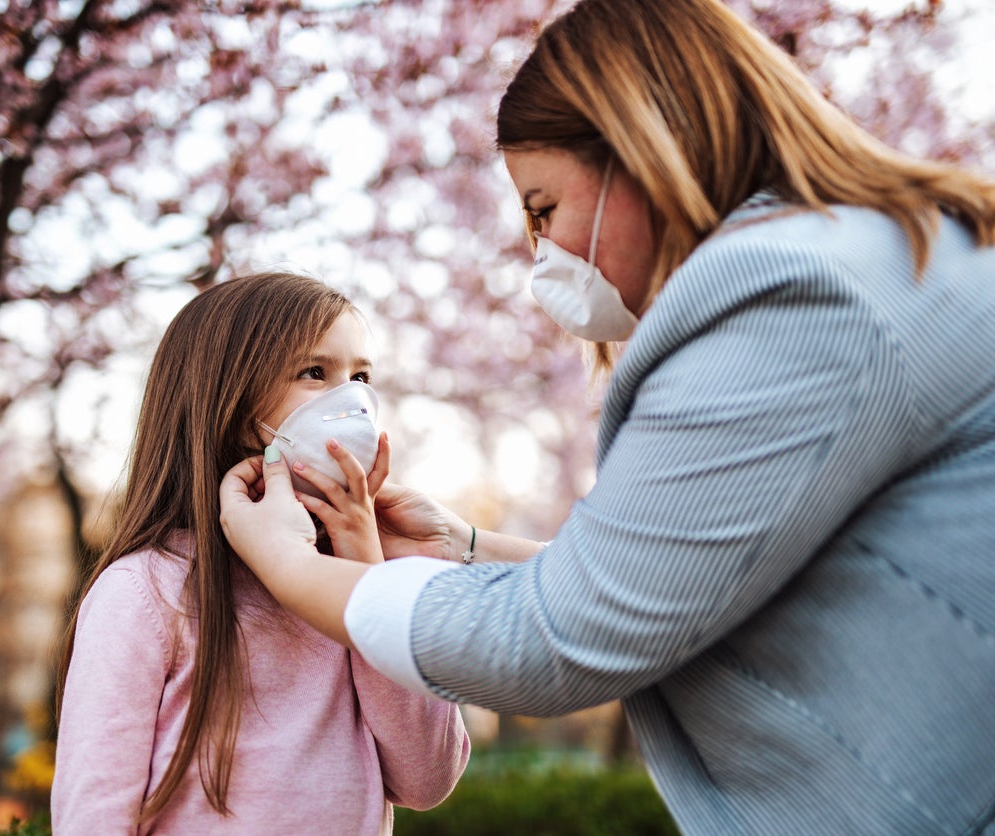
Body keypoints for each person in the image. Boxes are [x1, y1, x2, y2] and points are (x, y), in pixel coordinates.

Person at [218, 1, 995, 834]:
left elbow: (556, 643)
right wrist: (464, 548)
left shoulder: (791, 298)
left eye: (546, 209)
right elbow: (671, 573)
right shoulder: (864, 255)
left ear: (638, 146)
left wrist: (293, 568)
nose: (541, 254)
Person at [52, 271, 469, 834]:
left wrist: (369, 578)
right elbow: (92, 817)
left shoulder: (367, 582)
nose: (353, 399)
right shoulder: (144, 592)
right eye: (315, 372)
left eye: (362, 375)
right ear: (228, 395)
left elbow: (427, 780)